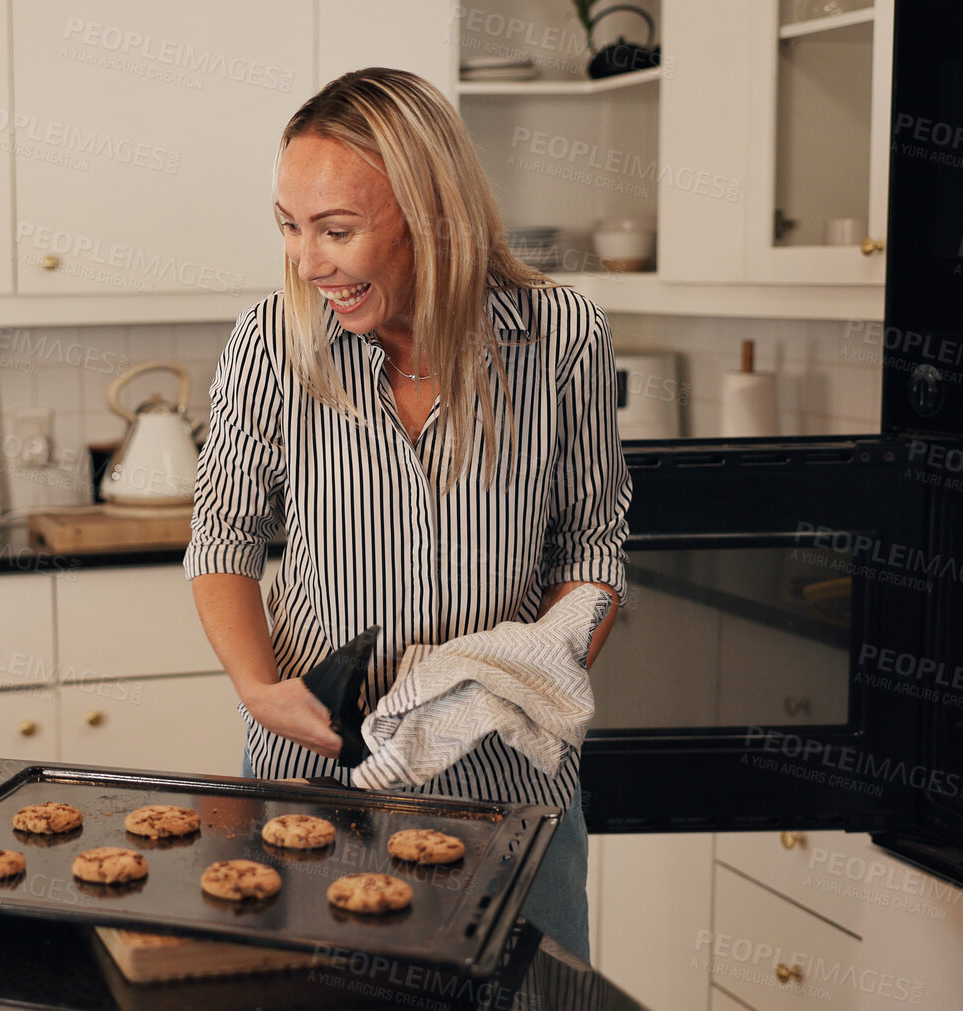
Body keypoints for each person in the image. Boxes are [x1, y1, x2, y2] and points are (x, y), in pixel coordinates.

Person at [186, 67, 631, 961]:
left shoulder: (561, 337)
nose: (308, 262)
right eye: (289, 227)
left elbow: (592, 545)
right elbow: (223, 533)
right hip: (318, 775)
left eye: (336, 230)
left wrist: (522, 680)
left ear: (431, 216)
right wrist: (258, 689)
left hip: (509, 788)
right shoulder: (272, 342)